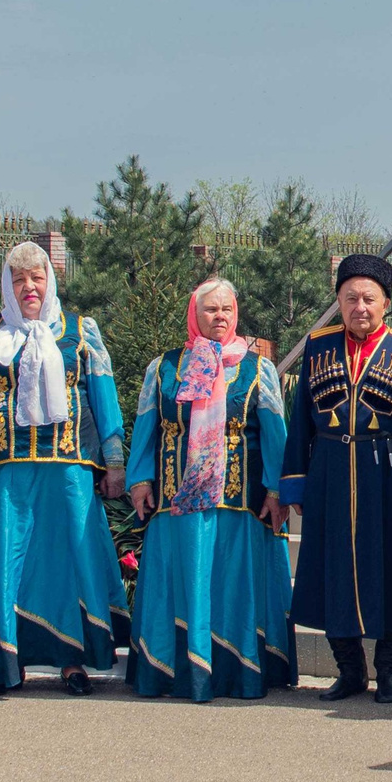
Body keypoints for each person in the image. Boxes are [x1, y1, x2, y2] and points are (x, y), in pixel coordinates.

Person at [0, 241, 128, 697]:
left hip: (68, 470)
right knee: (7, 559)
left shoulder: (81, 332)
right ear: (8, 284)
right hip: (2, 472)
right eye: (19, 279)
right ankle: (6, 661)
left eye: (36, 279)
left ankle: (72, 661)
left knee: (68, 560)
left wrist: (115, 461)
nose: (29, 287)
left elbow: (104, 399)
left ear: (50, 282)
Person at [123, 279, 295, 701]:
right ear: (194, 315)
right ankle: (174, 672)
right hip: (176, 504)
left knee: (231, 586)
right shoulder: (164, 367)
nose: (219, 317)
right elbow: (148, 428)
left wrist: (276, 490)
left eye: (226, 309)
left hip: (238, 505)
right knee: (182, 581)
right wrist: (140, 479)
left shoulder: (258, 369)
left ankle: (237, 675)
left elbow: (275, 434)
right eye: (210, 310)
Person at [279, 254, 392, 703]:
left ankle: (390, 672)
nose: (359, 307)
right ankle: (349, 671)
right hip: (329, 470)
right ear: (339, 302)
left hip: (388, 471)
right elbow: (300, 424)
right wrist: (296, 483)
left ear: (386, 303)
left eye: (369, 298)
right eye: (350, 298)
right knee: (332, 571)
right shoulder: (318, 346)